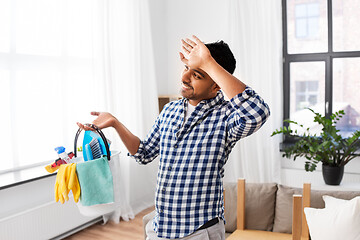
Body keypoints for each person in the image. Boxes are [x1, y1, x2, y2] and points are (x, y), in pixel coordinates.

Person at [77, 35, 270, 240]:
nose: (184, 78)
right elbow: (144, 153)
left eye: (196, 74)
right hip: (161, 228)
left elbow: (257, 113)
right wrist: (115, 123)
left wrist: (209, 63)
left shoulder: (226, 116)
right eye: (185, 68)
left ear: (216, 85)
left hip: (199, 231)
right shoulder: (170, 110)